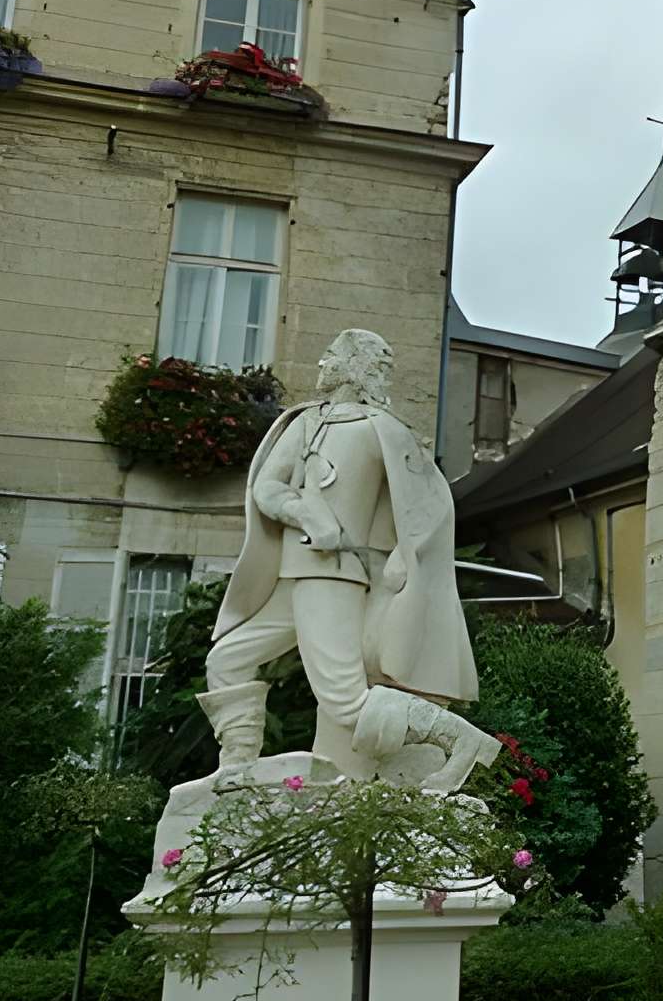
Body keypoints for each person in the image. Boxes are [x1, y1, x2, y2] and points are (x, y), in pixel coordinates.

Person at [198, 328, 497, 791]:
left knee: (342, 701)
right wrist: (303, 512)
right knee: (227, 659)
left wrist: (403, 556)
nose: (321, 365)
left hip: (335, 577)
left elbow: (429, 505)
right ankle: (237, 765)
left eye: (331, 355)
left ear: (353, 364)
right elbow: (267, 488)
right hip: (291, 573)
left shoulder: (385, 429)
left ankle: (461, 741)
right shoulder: (303, 422)